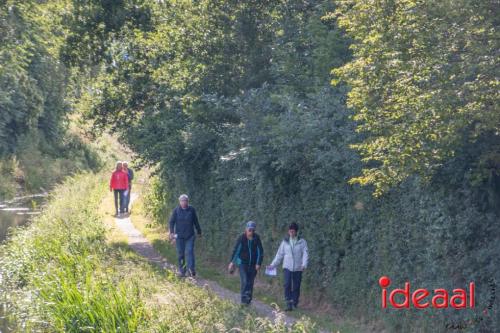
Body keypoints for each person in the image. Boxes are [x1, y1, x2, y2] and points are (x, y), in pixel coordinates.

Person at [268, 222, 309, 311]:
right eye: (290, 231)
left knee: (296, 286)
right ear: (288, 231)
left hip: (298, 268)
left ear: (296, 232)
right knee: (287, 284)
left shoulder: (302, 242)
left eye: (293, 231)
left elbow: (305, 254)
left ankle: (294, 302)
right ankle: (288, 303)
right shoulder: (285, 242)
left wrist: (304, 264)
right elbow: (279, 255)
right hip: (287, 267)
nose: (291, 233)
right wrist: (272, 265)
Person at [228, 221, 264, 305]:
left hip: (253, 264)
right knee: (245, 280)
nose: (251, 232)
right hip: (242, 263)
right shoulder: (242, 238)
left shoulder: (256, 238)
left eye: (252, 230)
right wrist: (232, 262)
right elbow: (236, 251)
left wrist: (258, 263)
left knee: (250, 282)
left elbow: (260, 251)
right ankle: (243, 301)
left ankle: (248, 301)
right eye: (249, 230)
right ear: (246, 229)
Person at [169, 194, 202, 277]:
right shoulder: (176, 210)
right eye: (182, 201)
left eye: (185, 201)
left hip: (190, 235)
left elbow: (196, 221)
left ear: (188, 202)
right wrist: (172, 232)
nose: (183, 202)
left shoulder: (191, 210)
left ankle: (191, 270)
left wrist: (199, 232)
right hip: (179, 236)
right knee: (181, 254)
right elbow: (172, 222)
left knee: (190, 252)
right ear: (179, 202)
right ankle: (182, 271)